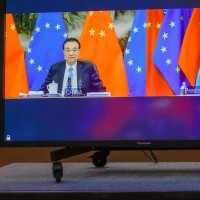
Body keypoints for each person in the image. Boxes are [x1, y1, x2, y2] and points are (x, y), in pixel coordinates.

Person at [40, 38, 106, 95]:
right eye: (68, 50)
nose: (71, 54)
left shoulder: (88, 67)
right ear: (64, 52)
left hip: (83, 104)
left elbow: (100, 90)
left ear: (79, 52)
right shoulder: (55, 68)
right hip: (59, 104)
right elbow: (43, 90)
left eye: (74, 50)